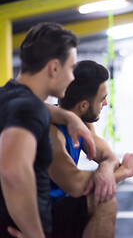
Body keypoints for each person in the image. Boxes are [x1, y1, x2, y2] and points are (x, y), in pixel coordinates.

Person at [0, 22, 94, 238]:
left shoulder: (7, 95)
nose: (72, 78)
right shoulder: (29, 109)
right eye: (71, 69)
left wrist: (68, 117)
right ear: (53, 68)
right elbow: (12, 172)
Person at [47, 60, 133, 238]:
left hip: (55, 207)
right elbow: (75, 184)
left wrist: (105, 169)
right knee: (104, 200)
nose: (105, 103)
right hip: (32, 216)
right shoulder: (51, 133)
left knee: (102, 199)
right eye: (102, 99)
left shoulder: (81, 122)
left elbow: (108, 156)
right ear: (83, 106)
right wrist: (125, 171)